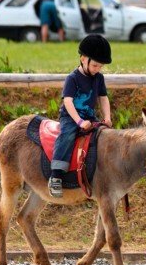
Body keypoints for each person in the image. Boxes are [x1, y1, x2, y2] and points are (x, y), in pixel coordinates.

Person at [48, 34, 112, 198]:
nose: (97, 69)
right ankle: (56, 175)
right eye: (95, 65)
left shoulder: (99, 78)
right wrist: (79, 121)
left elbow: (103, 98)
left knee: (105, 137)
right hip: (71, 117)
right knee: (67, 136)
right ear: (83, 59)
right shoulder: (72, 78)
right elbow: (68, 102)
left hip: (90, 117)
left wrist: (107, 117)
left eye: (100, 66)